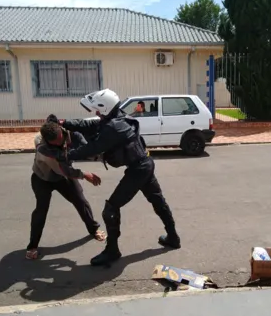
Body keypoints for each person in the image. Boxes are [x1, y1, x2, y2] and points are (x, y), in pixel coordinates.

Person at [59, 89, 180, 266]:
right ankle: (173, 237)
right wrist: (65, 123)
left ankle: (112, 251)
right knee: (158, 201)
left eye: (99, 110)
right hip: (144, 163)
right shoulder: (117, 117)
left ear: (106, 108)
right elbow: (90, 125)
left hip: (138, 169)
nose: (98, 114)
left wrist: (67, 156)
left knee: (110, 208)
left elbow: (93, 148)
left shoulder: (114, 127)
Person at [27, 120, 106, 260]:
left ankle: (93, 229)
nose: (60, 143)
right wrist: (84, 174)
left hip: (63, 177)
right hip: (43, 178)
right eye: (55, 143)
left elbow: (83, 144)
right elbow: (63, 169)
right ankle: (32, 246)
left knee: (81, 201)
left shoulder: (68, 132)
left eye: (60, 139)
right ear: (47, 140)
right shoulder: (42, 146)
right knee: (41, 209)